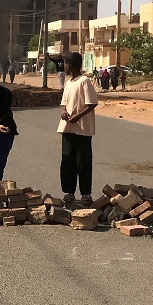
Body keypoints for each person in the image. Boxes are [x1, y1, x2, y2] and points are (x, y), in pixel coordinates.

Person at [57, 52, 99, 205]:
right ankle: (68, 191)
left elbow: (92, 103)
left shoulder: (84, 81)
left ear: (70, 65)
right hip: (67, 128)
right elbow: (64, 102)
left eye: (65, 64)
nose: (64, 67)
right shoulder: (68, 83)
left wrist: (78, 116)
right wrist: (63, 112)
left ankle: (86, 193)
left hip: (82, 129)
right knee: (67, 160)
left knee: (83, 162)